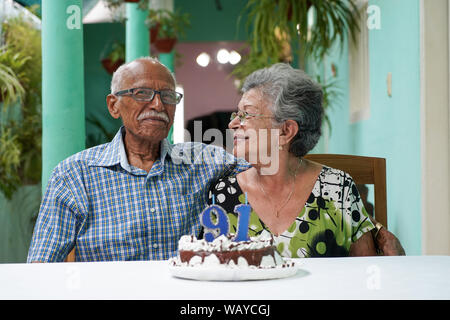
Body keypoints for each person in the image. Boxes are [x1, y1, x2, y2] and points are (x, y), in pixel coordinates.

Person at [27, 57, 250, 262]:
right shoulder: (74, 176)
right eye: (142, 93)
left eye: (168, 96)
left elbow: (269, 173)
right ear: (114, 105)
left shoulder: (203, 161)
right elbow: (41, 267)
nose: (158, 105)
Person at [208, 63, 405, 257]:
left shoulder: (338, 188)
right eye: (237, 114)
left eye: (246, 114)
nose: (232, 123)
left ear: (286, 131)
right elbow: (213, 273)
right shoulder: (223, 193)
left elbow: (365, 272)